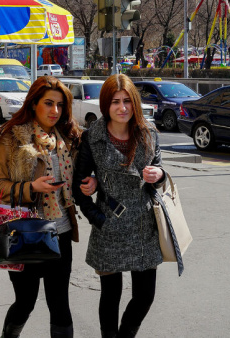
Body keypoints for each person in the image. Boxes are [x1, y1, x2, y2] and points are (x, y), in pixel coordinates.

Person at [0, 75, 96, 338]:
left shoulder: (70, 138)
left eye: (60, 105)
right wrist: (31, 188)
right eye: (49, 104)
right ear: (34, 103)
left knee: (60, 303)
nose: (55, 111)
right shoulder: (11, 138)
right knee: (25, 302)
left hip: (59, 234)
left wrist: (91, 181)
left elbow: (87, 170)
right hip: (23, 233)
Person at [72, 74, 165, 338]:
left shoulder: (149, 134)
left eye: (127, 101)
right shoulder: (93, 137)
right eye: (115, 102)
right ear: (105, 105)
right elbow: (78, 186)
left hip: (144, 226)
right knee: (110, 296)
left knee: (145, 296)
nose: (122, 108)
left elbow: (159, 172)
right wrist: (96, 218)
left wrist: (159, 176)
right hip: (110, 225)